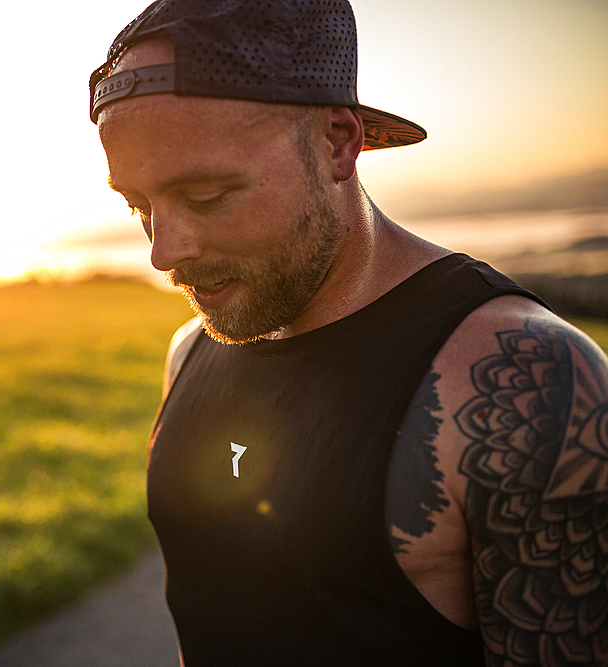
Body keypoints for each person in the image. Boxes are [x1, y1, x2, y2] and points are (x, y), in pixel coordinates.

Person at [88, 1, 608, 665]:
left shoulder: (526, 380)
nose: (164, 251)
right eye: (140, 205)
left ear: (337, 142)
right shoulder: (191, 349)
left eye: (209, 194)